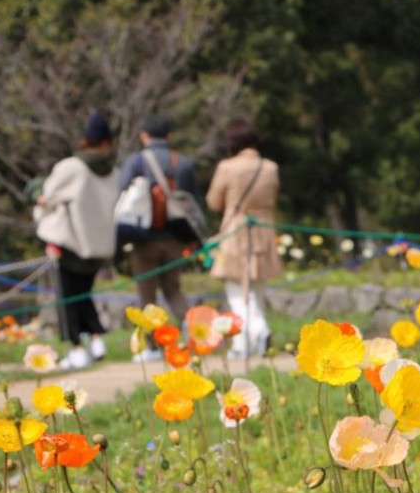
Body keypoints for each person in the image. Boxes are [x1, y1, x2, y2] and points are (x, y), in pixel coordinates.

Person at [35, 112, 119, 369]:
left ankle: (77, 348)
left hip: (69, 242)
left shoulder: (71, 167)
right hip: (98, 246)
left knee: (67, 297)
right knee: (82, 294)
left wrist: (41, 206)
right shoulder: (114, 172)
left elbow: (47, 197)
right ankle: (96, 339)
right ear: (107, 142)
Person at [118, 114, 197, 362]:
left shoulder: (136, 161)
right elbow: (193, 202)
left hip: (143, 239)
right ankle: (191, 331)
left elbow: (121, 194)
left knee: (146, 294)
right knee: (174, 289)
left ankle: (152, 346)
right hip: (174, 238)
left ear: (144, 136)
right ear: (169, 136)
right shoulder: (182, 163)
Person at [206, 119, 282, 358]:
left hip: (236, 229)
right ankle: (253, 337)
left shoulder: (227, 167)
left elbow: (213, 201)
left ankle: (252, 336)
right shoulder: (270, 167)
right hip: (264, 229)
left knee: (235, 289)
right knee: (257, 287)